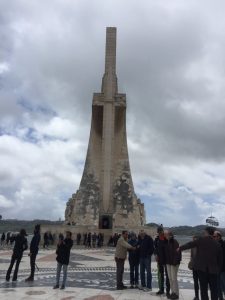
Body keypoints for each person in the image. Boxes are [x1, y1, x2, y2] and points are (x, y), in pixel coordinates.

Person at [178, 226, 223, 300]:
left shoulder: (201, 240)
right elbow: (220, 260)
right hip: (214, 271)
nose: (203, 233)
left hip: (202, 270)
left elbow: (190, 244)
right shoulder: (217, 244)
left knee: (203, 290)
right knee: (214, 291)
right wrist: (218, 270)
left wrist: (180, 248)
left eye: (204, 232)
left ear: (206, 232)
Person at [164, 230, 181, 300]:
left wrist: (174, 262)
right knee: (170, 278)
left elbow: (177, 253)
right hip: (168, 262)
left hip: (174, 263)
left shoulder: (175, 242)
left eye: (165, 234)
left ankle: (176, 294)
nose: (164, 235)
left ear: (169, 235)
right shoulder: (167, 242)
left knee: (174, 279)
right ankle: (173, 292)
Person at [154, 227, 170, 296]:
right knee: (161, 275)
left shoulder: (167, 239)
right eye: (159, 232)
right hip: (160, 260)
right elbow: (155, 248)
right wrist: (155, 255)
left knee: (167, 276)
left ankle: (168, 291)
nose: (160, 233)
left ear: (162, 231)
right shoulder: (157, 239)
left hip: (167, 260)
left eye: (161, 232)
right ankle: (161, 289)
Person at [213, 231, 225, 300]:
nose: (213, 238)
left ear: (219, 236)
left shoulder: (223, 244)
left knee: (223, 285)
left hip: (222, 269)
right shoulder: (215, 244)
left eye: (214, 236)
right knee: (217, 286)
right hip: (216, 269)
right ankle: (220, 298)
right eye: (213, 236)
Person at [188, 236, 200, 300]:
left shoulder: (201, 247)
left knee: (201, 283)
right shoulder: (192, 247)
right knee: (195, 282)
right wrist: (191, 264)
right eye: (193, 240)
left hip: (200, 268)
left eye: (195, 240)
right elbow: (192, 257)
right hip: (194, 267)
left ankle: (201, 296)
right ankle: (196, 296)